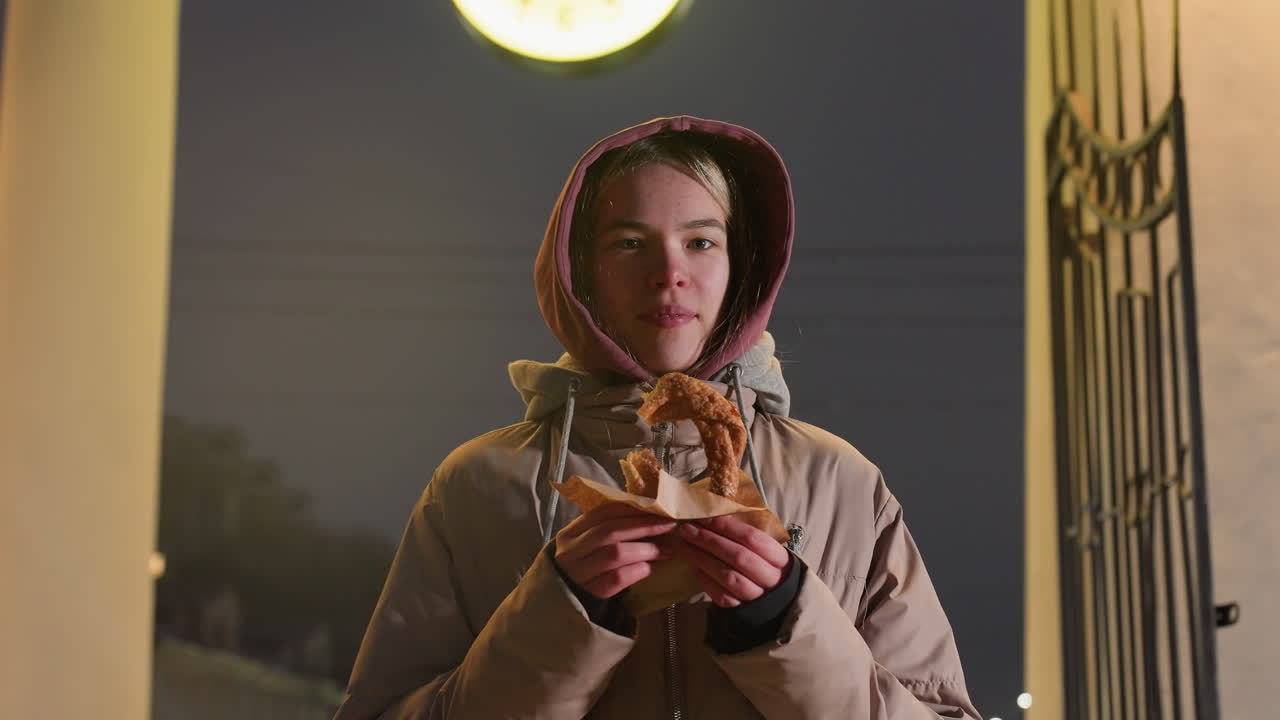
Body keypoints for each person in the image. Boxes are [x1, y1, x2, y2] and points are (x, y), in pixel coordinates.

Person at [333, 116, 980, 719]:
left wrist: (785, 621)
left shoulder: (840, 481)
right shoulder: (477, 484)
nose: (669, 272)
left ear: (742, 268)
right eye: (629, 242)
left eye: (701, 241)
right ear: (578, 272)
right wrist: (560, 616)